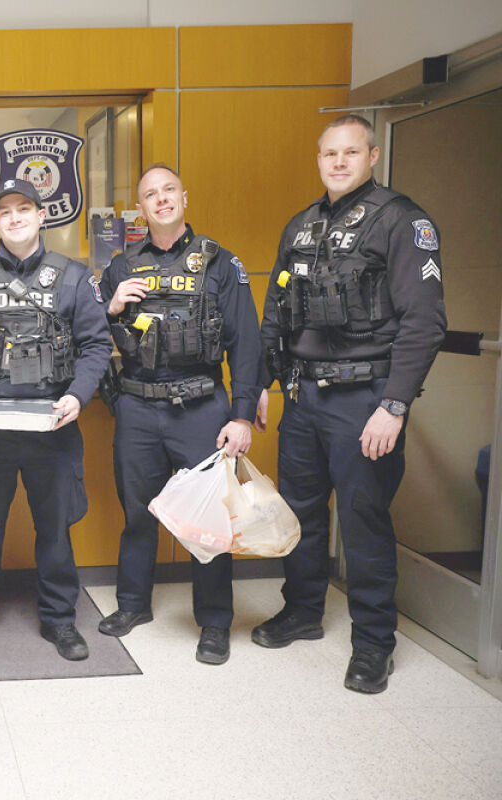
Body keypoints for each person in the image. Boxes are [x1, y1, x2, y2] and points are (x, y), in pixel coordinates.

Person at [257, 114, 446, 693]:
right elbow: (275, 315)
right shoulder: (302, 226)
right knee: (301, 515)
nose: (338, 163)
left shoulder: (402, 221)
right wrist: (262, 386)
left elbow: (425, 322)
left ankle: (373, 644)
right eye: (328, 154)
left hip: (365, 399)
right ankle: (303, 611)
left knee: (363, 523)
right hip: (305, 397)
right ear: (319, 160)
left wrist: (393, 405)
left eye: (350, 153)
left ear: (372, 156)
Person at [93, 164, 262, 665]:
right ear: (140, 209)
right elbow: (86, 339)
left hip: (201, 408)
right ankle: (132, 605)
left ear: (184, 198)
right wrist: (110, 307)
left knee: (209, 520)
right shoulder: (121, 268)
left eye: (169, 191)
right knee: (137, 512)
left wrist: (243, 415)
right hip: (138, 408)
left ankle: (213, 622)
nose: (161, 199)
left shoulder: (219, 262)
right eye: (151, 194)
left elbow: (246, 343)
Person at [0, 178, 112, 661]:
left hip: (53, 426)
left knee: (55, 532)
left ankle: (60, 621)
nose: (15, 218)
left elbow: (97, 345)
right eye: (6, 211)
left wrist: (78, 396)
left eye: (24, 209)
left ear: (41, 216)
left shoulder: (73, 277)